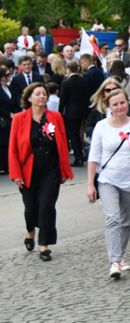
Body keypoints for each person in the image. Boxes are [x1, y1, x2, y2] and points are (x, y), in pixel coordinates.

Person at [87, 88, 130, 279]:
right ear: (108, 107)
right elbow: (93, 157)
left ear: (128, 103)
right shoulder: (101, 127)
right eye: (115, 104)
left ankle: (120, 256)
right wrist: (90, 184)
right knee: (113, 218)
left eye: (122, 103)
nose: (119, 107)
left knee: (125, 222)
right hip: (107, 179)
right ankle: (115, 262)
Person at [9, 83, 73, 261]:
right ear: (29, 98)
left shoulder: (55, 117)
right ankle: (30, 232)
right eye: (37, 94)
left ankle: (44, 245)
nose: (42, 97)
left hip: (50, 168)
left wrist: (63, 170)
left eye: (44, 94)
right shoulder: (20, 118)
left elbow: (62, 145)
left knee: (46, 206)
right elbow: (13, 148)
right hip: (28, 168)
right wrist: (15, 173)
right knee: (30, 209)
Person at [58, 60, 89, 166]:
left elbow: (63, 100)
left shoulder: (66, 83)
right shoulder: (83, 81)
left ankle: (78, 157)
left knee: (73, 134)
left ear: (69, 69)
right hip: (81, 111)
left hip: (70, 112)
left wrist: (59, 112)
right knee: (76, 133)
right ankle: (79, 155)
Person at [0, 64, 22, 174]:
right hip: (3, 119)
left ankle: (8, 165)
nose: (10, 76)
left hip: (11, 118)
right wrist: (9, 114)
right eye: (7, 75)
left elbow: (13, 101)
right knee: (3, 143)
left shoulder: (8, 87)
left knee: (9, 142)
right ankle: (2, 166)